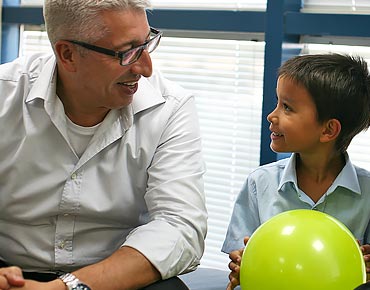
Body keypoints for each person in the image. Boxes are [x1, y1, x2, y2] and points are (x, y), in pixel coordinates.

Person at [0, 0, 207, 289]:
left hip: (116, 275)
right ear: (68, 54)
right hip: (10, 270)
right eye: (128, 52)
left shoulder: (170, 107)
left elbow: (180, 227)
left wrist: (65, 287)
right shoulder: (4, 93)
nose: (146, 68)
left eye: (147, 44)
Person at [221, 53, 370, 289]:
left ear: (329, 129)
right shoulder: (259, 183)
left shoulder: (368, 194)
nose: (272, 116)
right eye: (277, 103)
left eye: (287, 107)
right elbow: (241, 258)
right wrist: (241, 264)